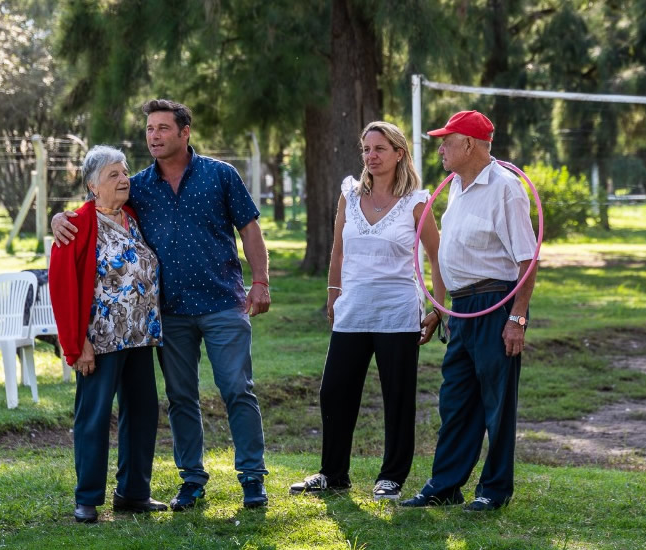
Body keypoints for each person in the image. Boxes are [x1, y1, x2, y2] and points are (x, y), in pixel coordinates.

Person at [52, 99, 272, 510]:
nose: (153, 136)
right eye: (149, 129)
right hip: (165, 316)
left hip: (221, 304)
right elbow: (92, 211)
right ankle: (190, 481)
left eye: (163, 128)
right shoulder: (138, 186)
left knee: (236, 390)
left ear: (184, 132)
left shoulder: (219, 176)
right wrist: (59, 218)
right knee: (180, 398)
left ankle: (251, 478)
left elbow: (250, 229)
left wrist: (260, 281)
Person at [288, 121, 446, 501]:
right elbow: (339, 250)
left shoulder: (416, 202)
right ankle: (333, 473)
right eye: (366, 149)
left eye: (379, 149)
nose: (371, 156)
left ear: (399, 154)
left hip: (398, 311)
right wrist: (333, 291)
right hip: (353, 308)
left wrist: (439, 308)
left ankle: (391, 476)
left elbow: (438, 258)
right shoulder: (349, 195)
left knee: (397, 396)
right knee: (334, 391)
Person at [400, 110, 538, 512]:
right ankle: (444, 486)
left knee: (497, 402)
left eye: (447, 139)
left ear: (470, 145)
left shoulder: (506, 188)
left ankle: (493, 491)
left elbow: (527, 260)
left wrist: (517, 317)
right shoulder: (457, 187)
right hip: (460, 309)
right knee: (456, 400)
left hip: (495, 304)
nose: (440, 147)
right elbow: (454, 254)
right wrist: (440, 310)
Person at [49, 145, 167, 523]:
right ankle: (87, 498)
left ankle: (133, 493)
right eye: (112, 175)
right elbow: (63, 286)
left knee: (143, 412)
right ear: (92, 185)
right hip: (99, 340)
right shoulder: (76, 225)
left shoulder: (132, 215)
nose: (123, 179)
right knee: (94, 416)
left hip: (139, 335)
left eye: (124, 172)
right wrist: (75, 343)